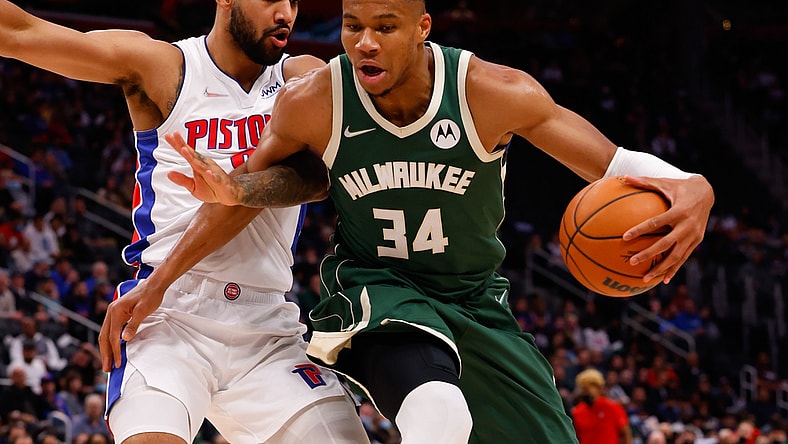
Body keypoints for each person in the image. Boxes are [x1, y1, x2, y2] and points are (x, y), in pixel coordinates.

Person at [101, 0, 716, 442]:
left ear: (422, 29)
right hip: (377, 292)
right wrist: (155, 285)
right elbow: (239, 201)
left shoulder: (492, 91)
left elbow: (615, 164)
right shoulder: (315, 100)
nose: (365, 42)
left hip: (473, 299)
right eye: (352, 26)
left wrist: (699, 188)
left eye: (384, 27)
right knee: (437, 412)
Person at [0, 1, 369, 443]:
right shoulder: (163, 65)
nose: (285, 13)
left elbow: (315, 180)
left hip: (268, 326)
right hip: (167, 315)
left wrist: (237, 189)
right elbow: (19, 32)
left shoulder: (302, 77)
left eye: (293, 1)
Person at [571, 368, 633, 444]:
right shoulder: (577, 412)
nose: (586, 391)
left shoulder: (612, 407)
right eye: (584, 388)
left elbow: (626, 434)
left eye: (590, 387)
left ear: (600, 388)